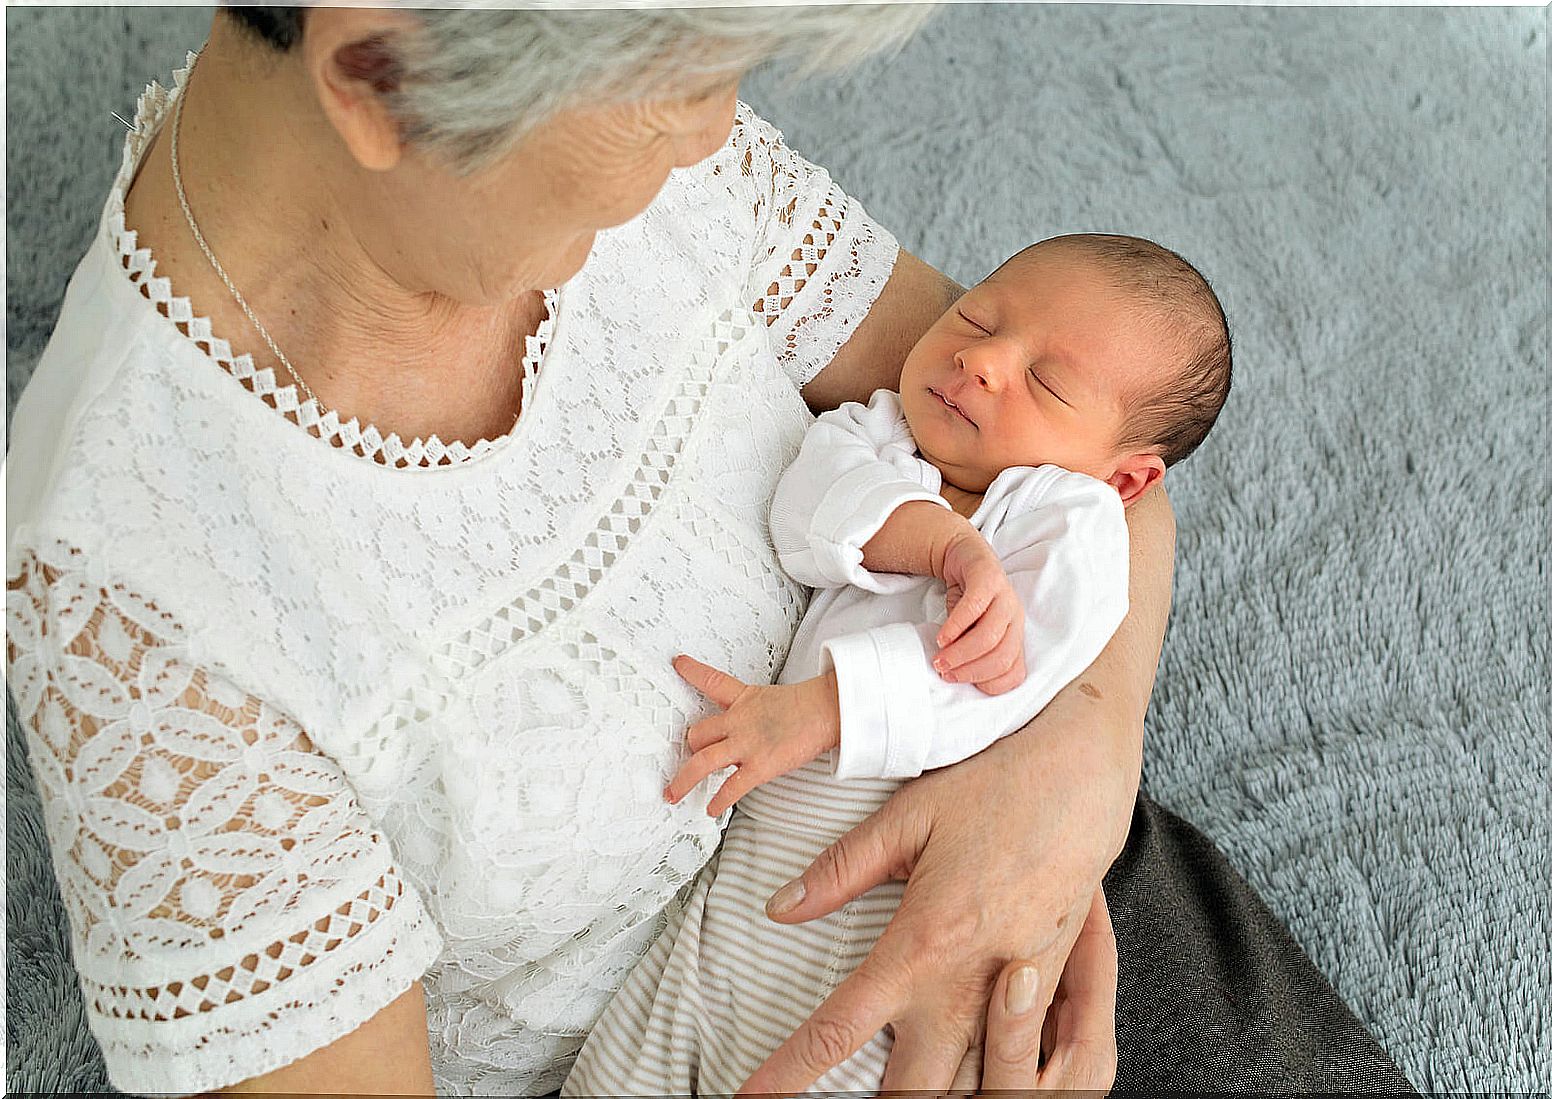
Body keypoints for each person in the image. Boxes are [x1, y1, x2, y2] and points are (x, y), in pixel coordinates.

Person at [3, 5, 1416, 1097]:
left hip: (1051, 855)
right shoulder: (138, 603)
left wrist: (1077, 761)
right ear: (382, 75)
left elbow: (1092, 457)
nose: (717, 133)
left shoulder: (618, 108)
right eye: (683, 91)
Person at [562, 233, 1228, 1095]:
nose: (981, 357)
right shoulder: (880, 432)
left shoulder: (1073, 524)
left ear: (1127, 481)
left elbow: (991, 676)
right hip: (731, 909)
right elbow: (808, 517)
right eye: (978, 314)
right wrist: (938, 538)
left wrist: (827, 708)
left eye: (1048, 382)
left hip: (887, 917)